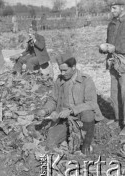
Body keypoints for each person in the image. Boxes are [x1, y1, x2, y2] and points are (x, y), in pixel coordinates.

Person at [36, 51, 104, 155]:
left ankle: (86, 145)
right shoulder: (59, 81)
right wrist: (45, 110)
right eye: (60, 70)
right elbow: (53, 100)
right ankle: (69, 136)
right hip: (64, 119)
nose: (62, 73)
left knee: (88, 114)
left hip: (81, 118)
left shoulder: (86, 80)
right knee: (50, 142)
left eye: (65, 70)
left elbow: (91, 103)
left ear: (73, 67)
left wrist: (71, 110)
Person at [102, 0, 125, 132]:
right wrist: (104, 48)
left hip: (124, 62)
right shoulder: (111, 24)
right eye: (111, 8)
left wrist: (115, 48)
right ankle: (118, 119)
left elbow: (116, 46)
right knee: (114, 92)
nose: (112, 11)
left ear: (122, 8)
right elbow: (108, 42)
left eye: (114, 8)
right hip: (113, 62)